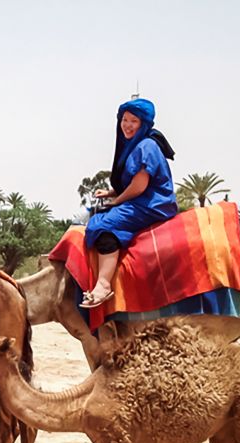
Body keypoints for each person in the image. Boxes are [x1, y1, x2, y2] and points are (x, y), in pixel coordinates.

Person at [83, 97, 177, 308]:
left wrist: (116, 202)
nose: (127, 125)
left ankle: (103, 284)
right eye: (124, 120)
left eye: (133, 121)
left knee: (102, 224)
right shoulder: (137, 144)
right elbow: (134, 181)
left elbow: (140, 186)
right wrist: (109, 193)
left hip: (152, 203)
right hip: (143, 199)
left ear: (143, 123)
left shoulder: (146, 146)